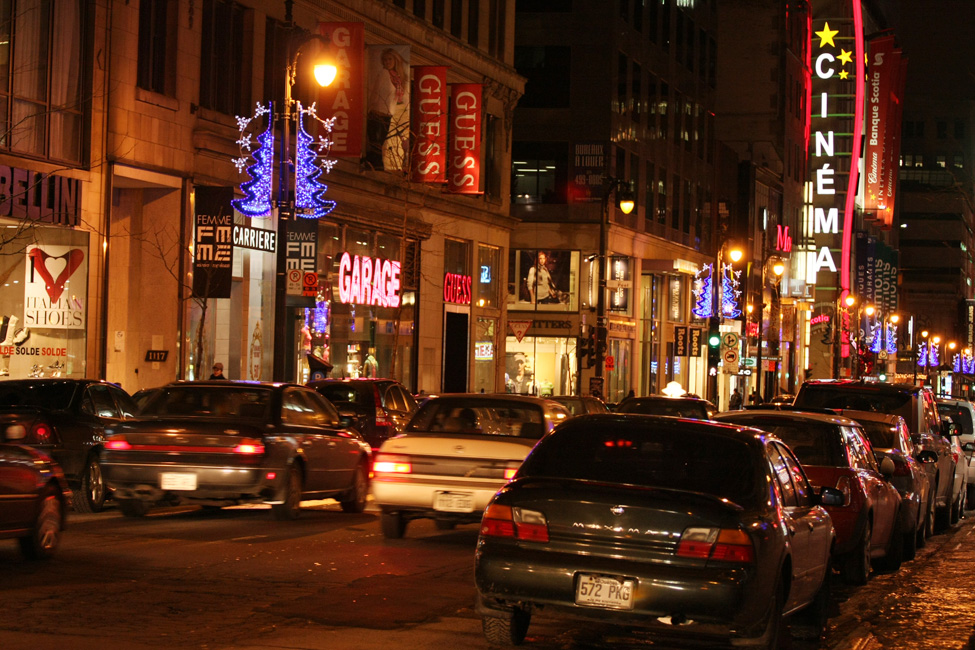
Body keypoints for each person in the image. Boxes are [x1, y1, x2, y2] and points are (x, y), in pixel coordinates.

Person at [366, 47, 409, 171]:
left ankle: (377, 165)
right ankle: (376, 166)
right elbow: (375, 92)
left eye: (390, 59)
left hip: (388, 114)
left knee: (381, 142)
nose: (387, 62)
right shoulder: (384, 73)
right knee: (376, 142)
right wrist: (370, 108)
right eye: (385, 59)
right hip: (376, 112)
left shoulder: (398, 78)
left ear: (395, 60)